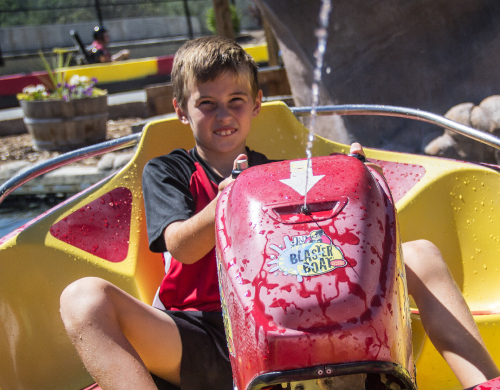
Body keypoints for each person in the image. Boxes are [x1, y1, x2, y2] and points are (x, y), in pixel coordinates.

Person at [59, 36, 499, 390]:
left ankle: (484, 383)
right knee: (83, 299)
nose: (223, 115)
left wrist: (357, 182)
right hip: (201, 340)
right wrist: (227, 201)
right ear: (180, 110)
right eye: (206, 103)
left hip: (286, 332)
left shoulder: (277, 175)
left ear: (256, 105)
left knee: (420, 253)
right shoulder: (169, 170)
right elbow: (182, 248)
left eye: (235, 100)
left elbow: (327, 254)